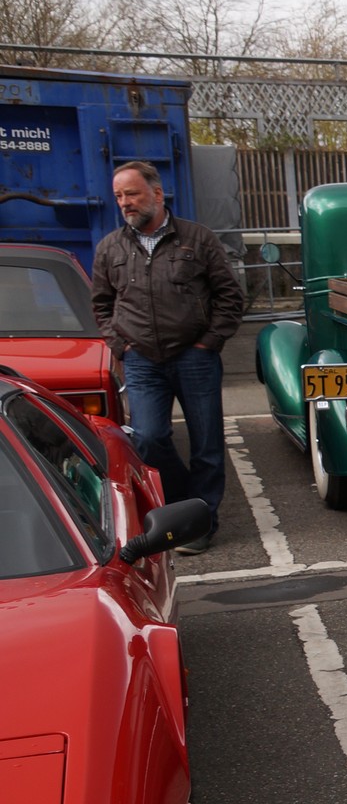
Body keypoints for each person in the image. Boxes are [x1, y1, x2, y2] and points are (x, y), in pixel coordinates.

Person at [91, 160, 245, 554]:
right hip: (142, 360)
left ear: (157, 194)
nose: (125, 203)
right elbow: (102, 305)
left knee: (207, 444)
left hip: (195, 357)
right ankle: (183, 509)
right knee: (148, 437)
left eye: (132, 193)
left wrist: (208, 342)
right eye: (119, 196)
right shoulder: (110, 248)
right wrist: (119, 345)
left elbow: (230, 297)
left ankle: (201, 524)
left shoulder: (198, 239)